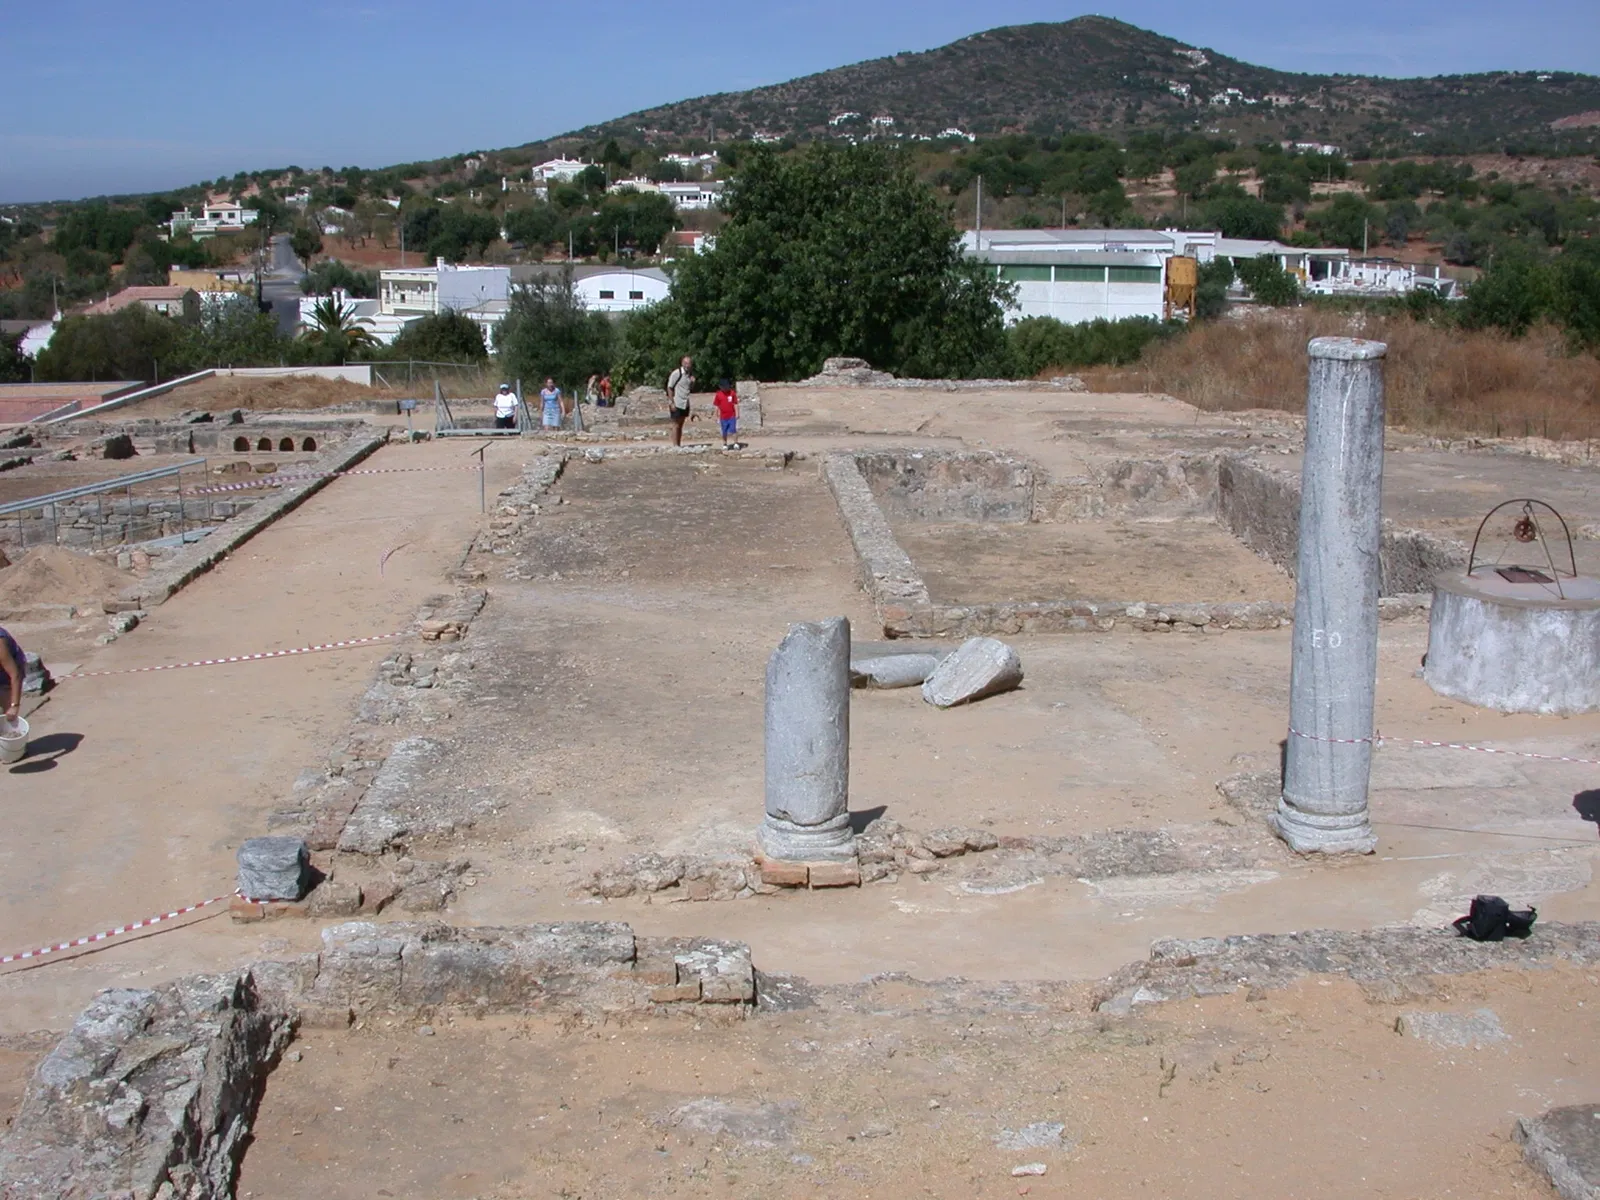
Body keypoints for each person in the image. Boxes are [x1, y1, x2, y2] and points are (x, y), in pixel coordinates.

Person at [0, 625, 25, 728]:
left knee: (9, 717)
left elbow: (14, 674)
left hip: (7, 676)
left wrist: (14, 705)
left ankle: (14, 742)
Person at [666, 355, 693, 446]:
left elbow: (689, 388)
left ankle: (678, 444)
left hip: (685, 403)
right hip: (677, 402)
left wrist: (693, 382)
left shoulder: (689, 374)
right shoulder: (676, 373)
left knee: (681, 425)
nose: (687, 365)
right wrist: (671, 402)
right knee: (675, 424)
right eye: (685, 363)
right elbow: (670, 387)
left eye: (689, 363)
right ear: (682, 363)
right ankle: (675, 445)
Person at [713, 379, 739, 450]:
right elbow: (717, 406)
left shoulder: (732, 393)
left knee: (733, 430)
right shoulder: (718, 395)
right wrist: (716, 416)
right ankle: (725, 444)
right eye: (724, 387)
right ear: (720, 387)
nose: (726, 388)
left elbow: (735, 404)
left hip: (732, 416)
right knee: (724, 431)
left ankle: (736, 443)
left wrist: (737, 413)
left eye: (727, 386)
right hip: (723, 417)